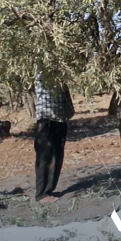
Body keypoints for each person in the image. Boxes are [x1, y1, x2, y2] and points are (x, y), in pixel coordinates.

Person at [33, 74, 74, 203]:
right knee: (45, 157)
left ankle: (49, 190)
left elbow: (64, 93)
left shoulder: (59, 74)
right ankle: (42, 194)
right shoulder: (42, 72)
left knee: (57, 156)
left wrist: (68, 113)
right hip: (47, 120)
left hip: (60, 119)